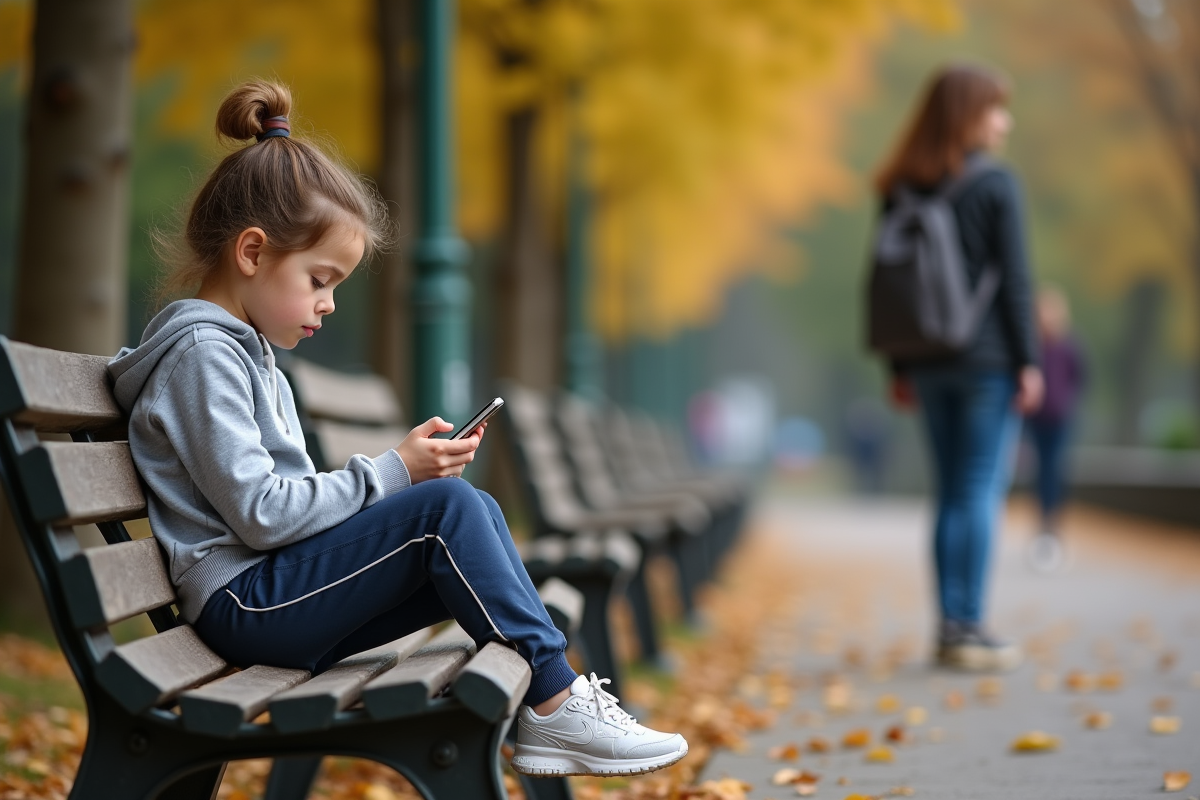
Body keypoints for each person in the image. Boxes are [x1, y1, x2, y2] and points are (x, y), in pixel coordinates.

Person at [107, 80, 686, 778]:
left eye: (337, 289)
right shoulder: (205, 356)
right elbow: (261, 514)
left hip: (271, 594)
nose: (325, 304)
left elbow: (274, 506)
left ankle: (551, 701)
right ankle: (557, 702)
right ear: (253, 254)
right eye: (320, 280)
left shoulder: (238, 351)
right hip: (247, 604)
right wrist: (394, 474)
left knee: (468, 520)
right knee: (449, 512)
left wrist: (402, 478)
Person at [874, 64, 1043, 672]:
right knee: (978, 488)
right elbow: (1016, 282)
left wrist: (898, 365)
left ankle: (948, 625)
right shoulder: (997, 185)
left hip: (924, 361)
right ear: (969, 115)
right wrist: (1029, 360)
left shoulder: (899, 185)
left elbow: (888, 286)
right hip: (988, 361)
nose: (1005, 121)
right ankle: (967, 626)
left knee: (948, 492)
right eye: (997, 109)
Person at [1025, 287, 1086, 572]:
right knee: (1040, 473)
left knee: (1056, 471)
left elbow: (1081, 378)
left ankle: (1053, 527)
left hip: (1061, 421)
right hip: (1036, 420)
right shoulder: (1033, 347)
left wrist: (1069, 403)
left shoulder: (1069, 347)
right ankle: (1042, 526)